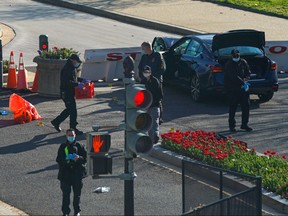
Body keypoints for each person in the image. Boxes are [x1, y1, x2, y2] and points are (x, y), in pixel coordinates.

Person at [51, 54, 85, 135]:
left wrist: (82, 80)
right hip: (66, 93)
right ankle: (73, 128)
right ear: (72, 60)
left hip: (68, 92)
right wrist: (77, 84)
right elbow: (67, 82)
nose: (77, 63)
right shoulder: (67, 69)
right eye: (76, 61)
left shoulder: (71, 68)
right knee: (72, 110)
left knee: (70, 110)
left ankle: (56, 122)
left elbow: (73, 79)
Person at [56, 128, 87, 216]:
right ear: (66, 136)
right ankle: (65, 212)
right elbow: (58, 159)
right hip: (65, 174)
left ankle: (77, 211)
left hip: (77, 174)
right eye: (69, 135)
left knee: (77, 195)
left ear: (75, 135)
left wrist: (78, 158)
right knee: (66, 195)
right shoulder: (63, 146)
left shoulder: (80, 146)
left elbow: (85, 159)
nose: (71, 137)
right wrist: (66, 160)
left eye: (72, 135)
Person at [224, 49, 252, 132]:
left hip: (243, 89)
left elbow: (248, 72)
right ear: (232, 56)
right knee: (233, 107)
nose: (236, 57)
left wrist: (246, 80)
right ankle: (232, 126)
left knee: (246, 107)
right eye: (235, 56)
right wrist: (243, 82)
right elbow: (233, 77)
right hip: (233, 89)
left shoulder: (243, 62)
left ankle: (244, 124)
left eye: (238, 55)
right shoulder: (229, 64)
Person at [138, 41, 165, 124]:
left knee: (157, 100)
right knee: (146, 98)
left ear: (148, 48)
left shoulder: (157, 55)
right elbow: (140, 68)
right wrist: (142, 78)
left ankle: (159, 118)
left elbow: (162, 68)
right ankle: (147, 116)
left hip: (155, 81)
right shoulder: (144, 57)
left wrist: (153, 78)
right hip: (146, 81)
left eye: (144, 49)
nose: (143, 50)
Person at [141, 65, 163, 144]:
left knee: (155, 122)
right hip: (146, 107)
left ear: (150, 72)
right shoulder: (142, 82)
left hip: (155, 105)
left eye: (147, 72)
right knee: (149, 123)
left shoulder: (155, 81)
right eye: (145, 72)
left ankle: (155, 136)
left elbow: (160, 95)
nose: (146, 74)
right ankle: (152, 139)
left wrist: (154, 102)